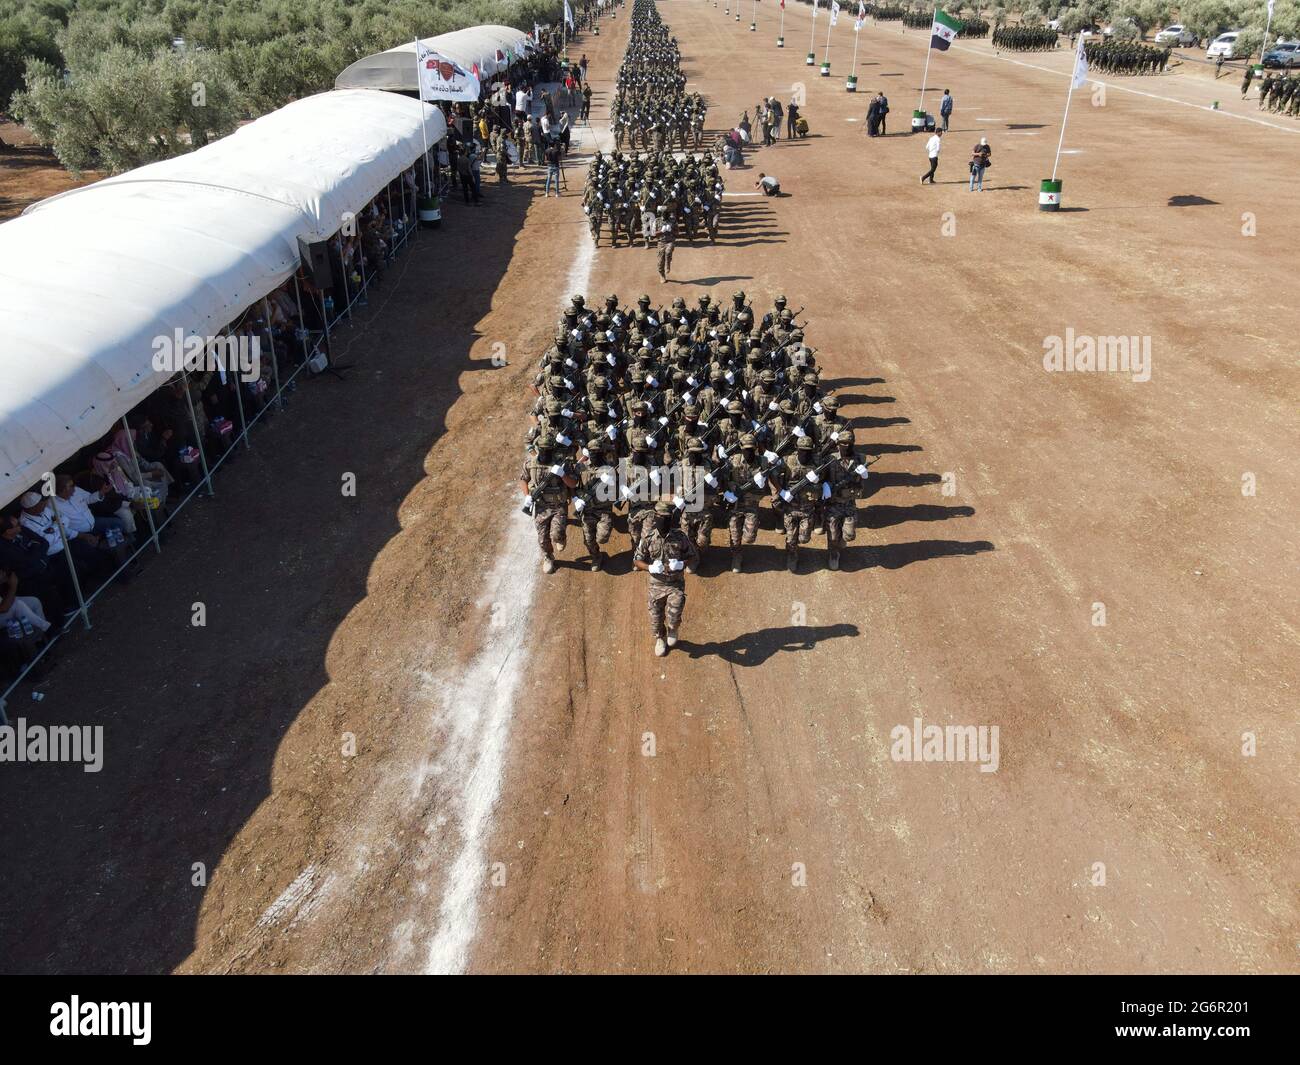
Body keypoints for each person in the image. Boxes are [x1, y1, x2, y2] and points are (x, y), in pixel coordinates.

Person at [633, 501, 698, 657]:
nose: (663, 520)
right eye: (661, 517)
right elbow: (636, 560)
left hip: (675, 583)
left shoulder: (680, 536)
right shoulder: (648, 537)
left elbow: (692, 555)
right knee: (656, 620)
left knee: (675, 612)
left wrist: (681, 563)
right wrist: (650, 567)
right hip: (656, 584)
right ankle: (660, 638)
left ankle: (673, 628)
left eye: (667, 517)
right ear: (655, 517)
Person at [656, 205, 676, 282]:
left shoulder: (673, 220)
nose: (664, 215)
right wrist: (661, 231)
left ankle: (668, 265)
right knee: (660, 261)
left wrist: (671, 230)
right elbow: (653, 234)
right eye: (663, 213)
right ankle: (662, 275)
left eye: (666, 213)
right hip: (661, 242)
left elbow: (677, 232)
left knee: (668, 251)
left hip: (670, 241)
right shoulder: (657, 221)